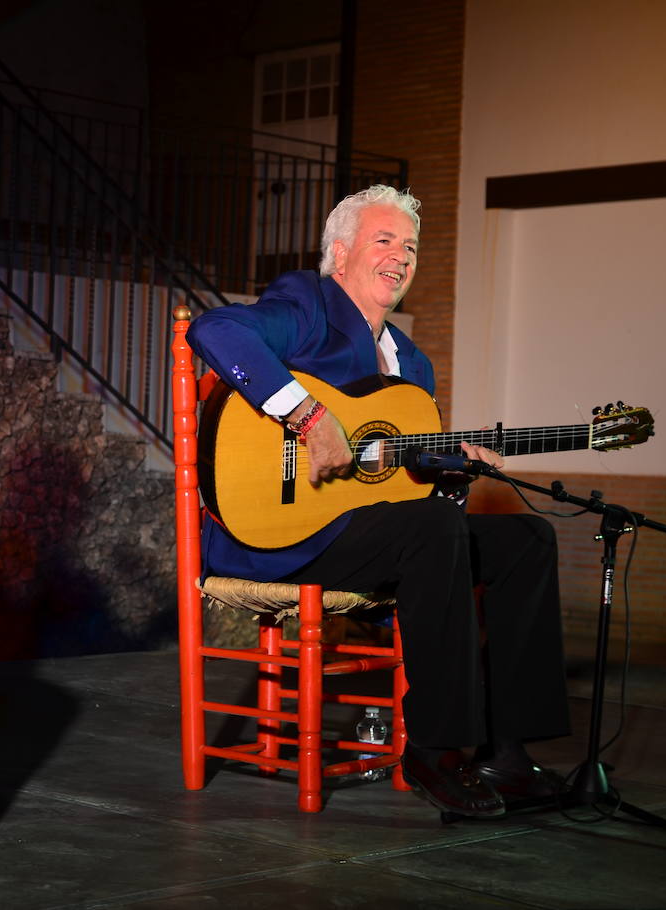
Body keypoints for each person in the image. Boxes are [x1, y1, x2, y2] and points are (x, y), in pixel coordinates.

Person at [186, 184, 569, 818]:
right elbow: (215, 329)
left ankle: (506, 752)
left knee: (527, 540)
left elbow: (399, 480)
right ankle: (436, 749)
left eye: (410, 246)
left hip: (369, 535)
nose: (400, 256)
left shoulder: (412, 365)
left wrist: (452, 469)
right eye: (384, 240)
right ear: (340, 253)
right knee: (430, 531)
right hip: (279, 532)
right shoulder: (307, 306)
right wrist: (308, 416)